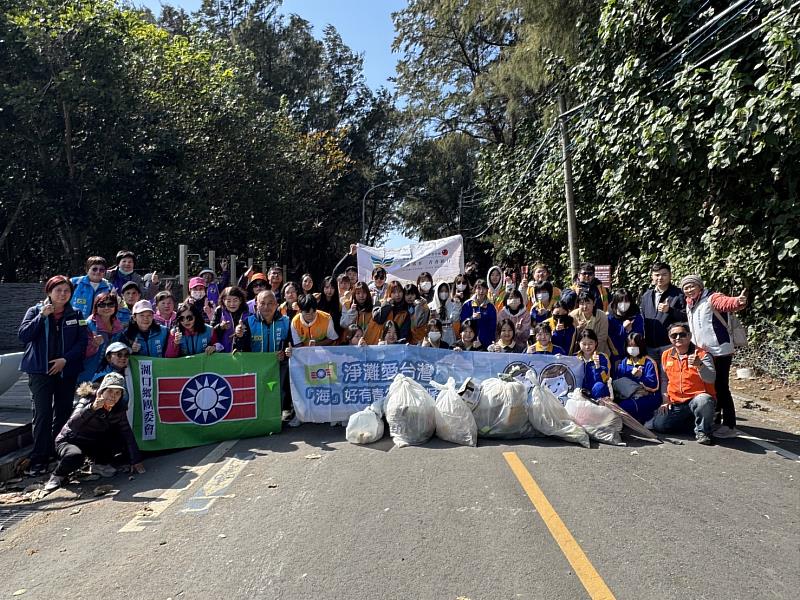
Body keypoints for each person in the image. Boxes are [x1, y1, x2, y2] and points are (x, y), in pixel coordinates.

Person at [18, 276, 88, 476]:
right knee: (42, 414)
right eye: (58, 290)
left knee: (64, 412)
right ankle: (39, 457)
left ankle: (60, 453)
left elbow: (82, 343)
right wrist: (41, 316)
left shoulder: (76, 314)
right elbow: (24, 336)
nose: (62, 294)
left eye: (66, 291)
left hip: (66, 370)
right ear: (49, 292)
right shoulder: (35, 311)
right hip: (40, 372)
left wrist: (65, 360)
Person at [44, 373, 144, 492]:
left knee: (118, 436)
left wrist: (135, 460)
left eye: (118, 393)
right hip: (71, 440)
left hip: (93, 441)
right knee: (75, 456)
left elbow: (127, 432)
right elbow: (73, 424)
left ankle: (99, 464)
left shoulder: (119, 408)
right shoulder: (87, 400)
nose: (113, 396)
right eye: (110, 391)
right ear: (102, 391)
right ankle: (57, 475)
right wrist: (91, 409)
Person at [681, 275, 747, 438]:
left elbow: (726, 303)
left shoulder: (711, 298)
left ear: (700, 286)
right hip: (703, 351)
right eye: (686, 287)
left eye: (692, 286)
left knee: (721, 387)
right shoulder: (691, 303)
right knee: (710, 387)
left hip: (719, 351)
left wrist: (738, 301)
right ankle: (715, 421)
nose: (689, 289)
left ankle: (729, 425)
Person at [233, 290, 293, 421]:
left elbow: (290, 344)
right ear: (256, 306)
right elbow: (240, 348)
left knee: (287, 369)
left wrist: (287, 353)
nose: (266, 307)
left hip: (278, 364)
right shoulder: (248, 322)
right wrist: (239, 336)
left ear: (277, 305)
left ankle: (286, 408)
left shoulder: (286, 322)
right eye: (263, 303)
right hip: (256, 365)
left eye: (270, 303)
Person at [652, 322, 716, 445]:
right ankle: (695, 422)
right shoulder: (666, 355)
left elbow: (711, 379)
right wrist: (665, 400)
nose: (677, 338)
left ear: (689, 335)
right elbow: (665, 379)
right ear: (669, 338)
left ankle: (703, 431)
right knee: (659, 426)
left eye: (682, 334)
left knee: (704, 401)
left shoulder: (702, 354)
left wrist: (700, 365)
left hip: (696, 399)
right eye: (674, 335)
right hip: (676, 402)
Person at [639, 262, 686, 392]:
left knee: (671, 375)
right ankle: (657, 405)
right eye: (657, 275)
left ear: (670, 276)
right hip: (650, 345)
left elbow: (686, 317)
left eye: (664, 274)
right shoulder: (646, 295)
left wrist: (670, 310)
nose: (660, 278)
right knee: (654, 376)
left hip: (669, 344)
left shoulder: (678, 294)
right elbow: (641, 317)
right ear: (652, 277)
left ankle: (673, 404)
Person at [612, 333, 661, 424]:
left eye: (635, 345)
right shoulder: (624, 362)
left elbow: (654, 386)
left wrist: (640, 376)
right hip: (627, 395)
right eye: (629, 345)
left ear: (641, 346)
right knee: (614, 406)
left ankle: (649, 416)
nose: (632, 348)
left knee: (624, 407)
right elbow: (617, 380)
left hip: (648, 396)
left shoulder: (649, 362)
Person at [78, 292, 125, 384]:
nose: (106, 308)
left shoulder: (118, 326)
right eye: (102, 305)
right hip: (87, 374)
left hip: (109, 374)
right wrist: (93, 346)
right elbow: (79, 352)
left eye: (110, 304)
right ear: (96, 307)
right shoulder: (87, 325)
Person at [606, 288, 644, 365]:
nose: (623, 304)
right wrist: (624, 330)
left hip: (633, 357)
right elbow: (609, 339)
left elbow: (640, 338)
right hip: (614, 357)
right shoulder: (609, 318)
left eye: (626, 301)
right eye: (620, 301)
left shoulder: (636, 317)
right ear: (615, 302)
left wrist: (629, 331)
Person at [459, 279, 497, 348]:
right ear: (475, 290)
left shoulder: (491, 307)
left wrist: (483, 317)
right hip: (469, 342)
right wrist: (471, 318)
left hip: (486, 343)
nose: (481, 291)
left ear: (487, 290)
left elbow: (493, 327)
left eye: (484, 288)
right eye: (479, 288)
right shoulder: (467, 304)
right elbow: (462, 323)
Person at [570, 290, 610, 356]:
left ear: (594, 303)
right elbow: (570, 337)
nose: (585, 306)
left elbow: (602, 338)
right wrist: (577, 330)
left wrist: (592, 355)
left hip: (599, 352)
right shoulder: (573, 316)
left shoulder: (602, 316)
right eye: (582, 303)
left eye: (588, 303)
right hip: (578, 354)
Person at [211, 286, 249, 352]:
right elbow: (211, 331)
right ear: (223, 300)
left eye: (235, 300)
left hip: (241, 352)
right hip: (222, 352)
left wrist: (241, 333)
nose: (232, 304)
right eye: (228, 301)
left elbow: (251, 334)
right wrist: (220, 327)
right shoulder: (219, 311)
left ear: (240, 300)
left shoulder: (246, 313)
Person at [575, 329, 611, 400]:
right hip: (579, 392)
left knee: (599, 386)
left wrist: (597, 366)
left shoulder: (602, 357)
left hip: (596, 393)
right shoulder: (575, 358)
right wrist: (561, 359)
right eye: (584, 344)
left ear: (596, 343)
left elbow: (604, 379)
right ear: (579, 343)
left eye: (590, 343)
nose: (587, 347)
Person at [429, 281, 462, 346]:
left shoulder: (453, 304)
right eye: (441, 291)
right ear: (437, 292)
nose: (444, 293)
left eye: (446, 291)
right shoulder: (431, 306)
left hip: (449, 332)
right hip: (436, 333)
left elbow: (455, 319)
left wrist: (457, 305)